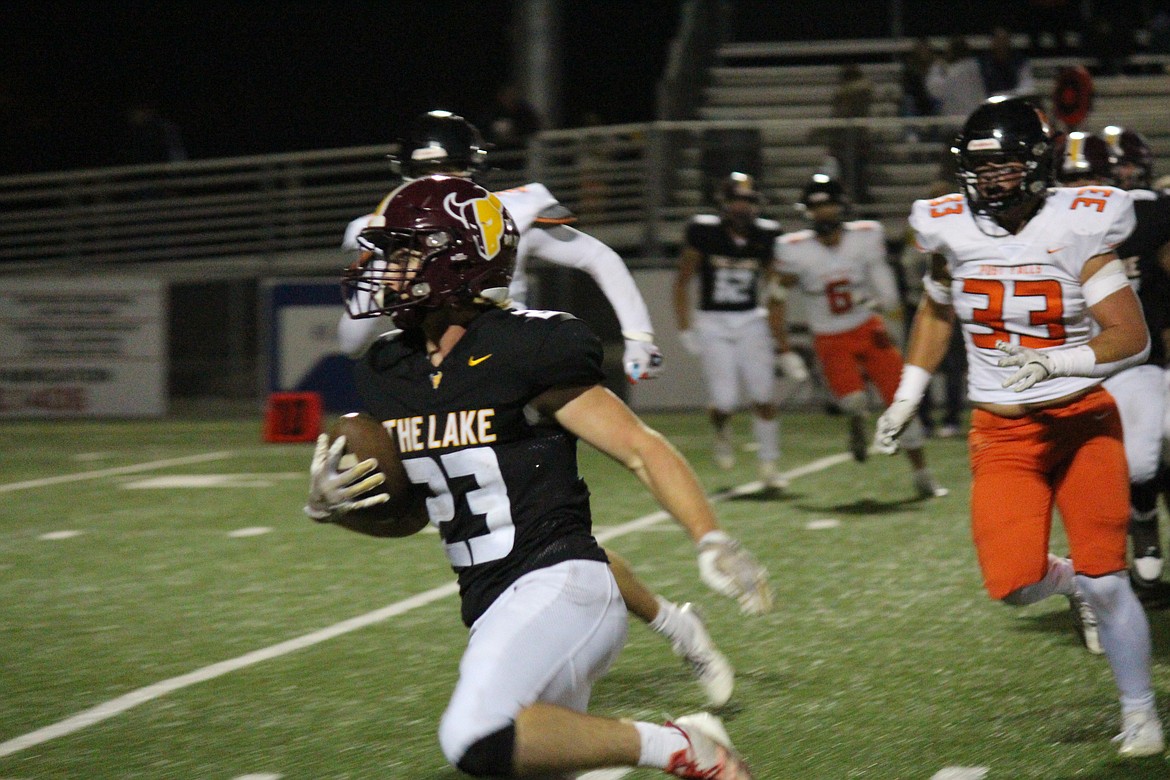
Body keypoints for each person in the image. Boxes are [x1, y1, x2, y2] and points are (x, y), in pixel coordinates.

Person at [305, 174, 766, 777]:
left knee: (473, 735)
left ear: (454, 259)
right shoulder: (390, 369)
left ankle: (681, 745)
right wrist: (336, 508)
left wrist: (711, 538)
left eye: (403, 251)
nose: (384, 268)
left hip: (563, 582)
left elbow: (638, 447)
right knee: (519, 754)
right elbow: (416, 511)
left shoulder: (526, 346)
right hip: (490, 604)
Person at [875, 96, 1162, 757]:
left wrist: (1053, 361)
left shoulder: (1080, 224)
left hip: (1083, 420)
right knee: (1013, 585)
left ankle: (1139, 709)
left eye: (1003, 166)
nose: (989, 180)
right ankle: (1070, 586)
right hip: (1002, 433)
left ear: (1036, 166)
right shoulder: (950, 228)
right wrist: (907, 395)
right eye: (979, 168)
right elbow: (938, 311)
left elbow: (1132, 336)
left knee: (1109, 578)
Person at [339, 111, 663, 387]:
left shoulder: (504, 215)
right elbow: (351, 341)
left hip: (505, 365)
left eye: (445, 169)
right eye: (425, 173)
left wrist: (639, 336)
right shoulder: (383, 229)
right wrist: (387, 280)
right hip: (431, 372)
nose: (436, 182)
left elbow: (599, 257)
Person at [774, 174, 948, 498]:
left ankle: (923, 474)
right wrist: (782, 345)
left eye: (828, 206)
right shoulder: (793, 249)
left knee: (903, 402)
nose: (824, 213)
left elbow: (884, 284)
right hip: (829, 336)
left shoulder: (865, 236)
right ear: (806, 212)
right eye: (817, 208)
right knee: (853, 402)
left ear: (841, 207)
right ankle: (856, 422)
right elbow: (775, 294)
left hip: (868, 329)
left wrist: (883, 302)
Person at [674, 172, 808, 489]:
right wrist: (685, 328)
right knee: (724, 400)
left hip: (750, 319)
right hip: (712, 320)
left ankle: (769, 464)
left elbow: (776, 293)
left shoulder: (767, 235)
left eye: (747, 201)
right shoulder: (704, 231)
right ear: (724, 204)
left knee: (763, 395)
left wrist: (783, 346)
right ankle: (721, 429)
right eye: (736, 200)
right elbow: (682, 281)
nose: (742, 207)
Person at [1088, 127, 1170, 592]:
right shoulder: (1064, 223)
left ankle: (1145, 530)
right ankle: (1138, 528)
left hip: (1150, 354)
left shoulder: (1155, 212)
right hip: (1107, 358)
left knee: (1152, 454)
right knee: (1131, 464)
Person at [926, 36, 986, 123]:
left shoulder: (955, 72)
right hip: (977, 119)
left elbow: (934, 90)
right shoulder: (976, 67)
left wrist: (936, 67)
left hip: (959, 123)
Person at [978, 27, 1036, 100]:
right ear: (993, 42)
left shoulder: (1020, 61)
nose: (1001, 44)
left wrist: (1008, 95)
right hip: (988, 101)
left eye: (1004, 40)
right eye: (998, 40)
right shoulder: (983, 64)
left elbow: (1026, 86)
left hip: (1013, 100)